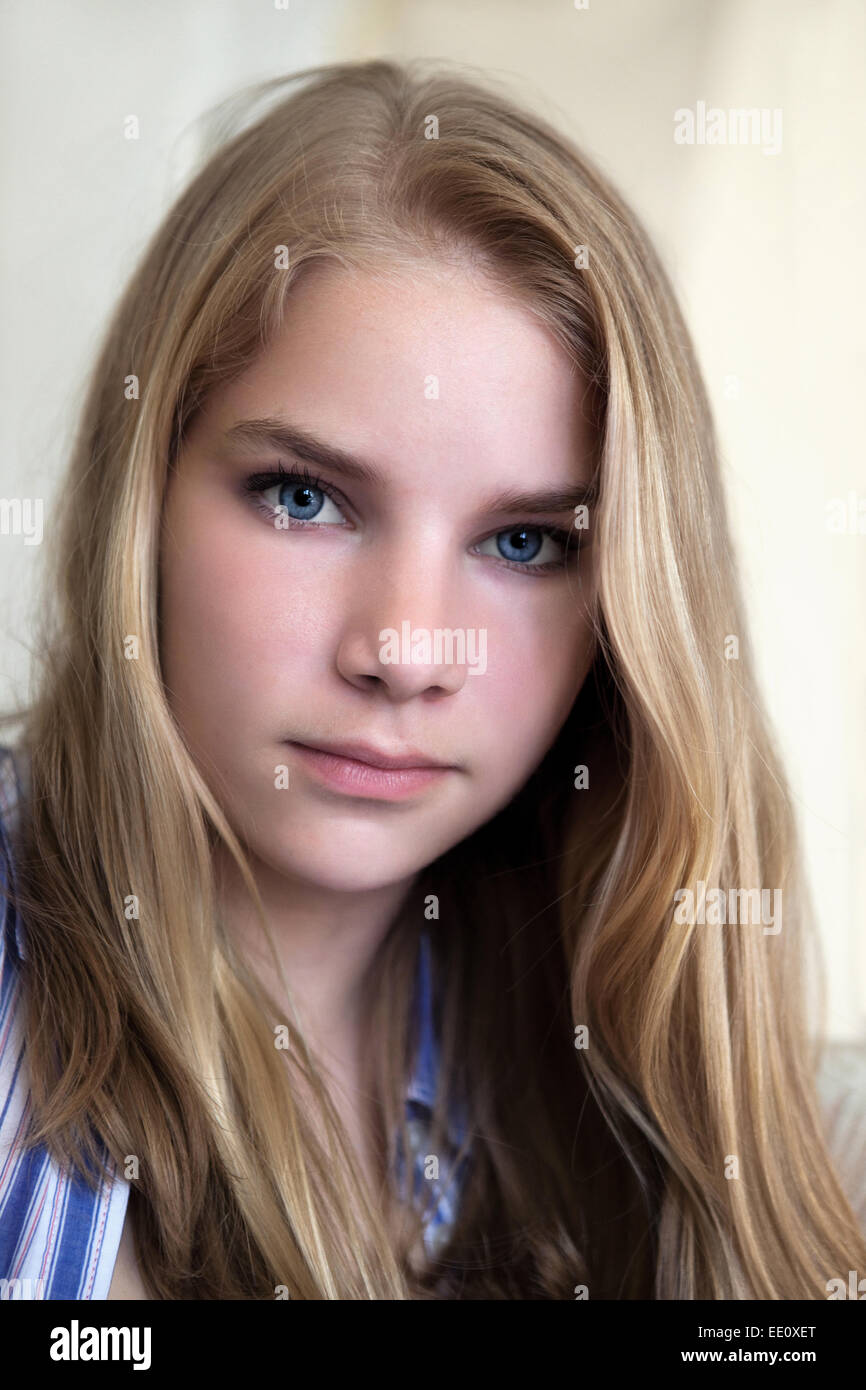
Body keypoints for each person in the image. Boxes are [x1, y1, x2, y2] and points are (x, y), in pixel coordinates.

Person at [0, 57, 864, 1301]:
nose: (406, 650)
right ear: (142, 493)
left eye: (524, 542)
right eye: (303, 498)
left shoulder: (609, 1049)